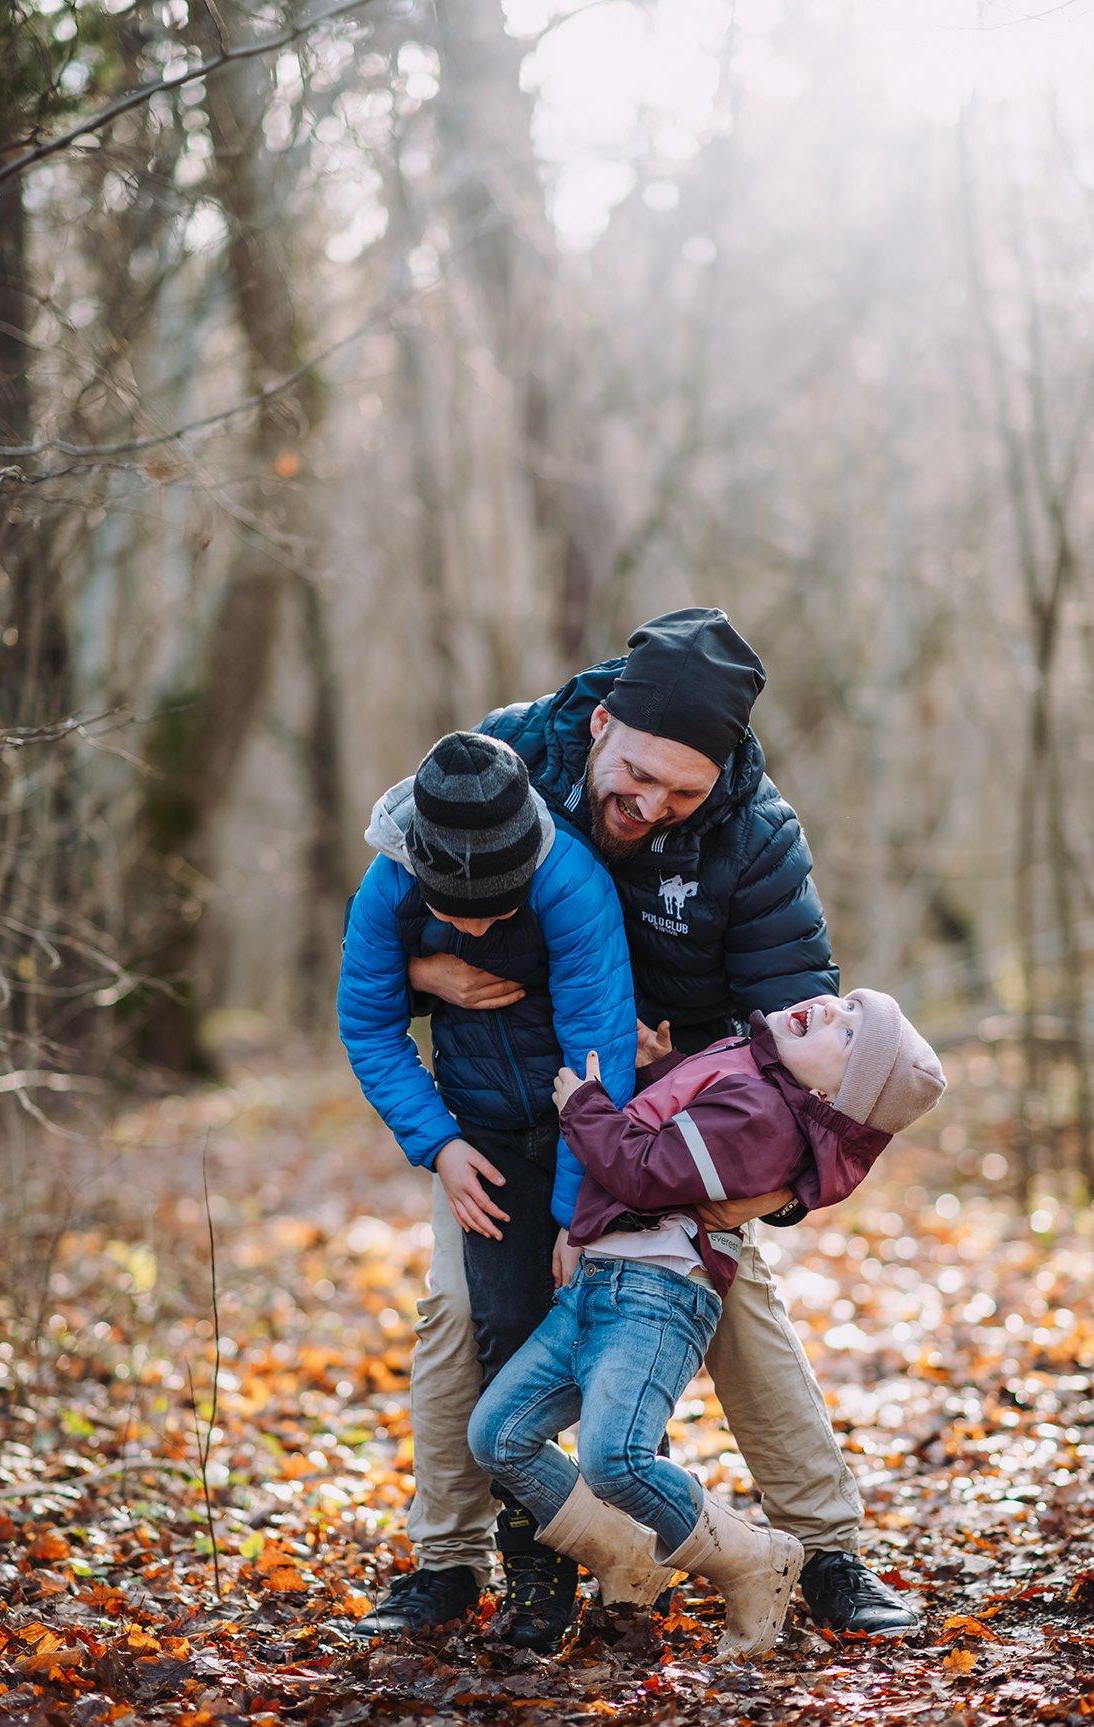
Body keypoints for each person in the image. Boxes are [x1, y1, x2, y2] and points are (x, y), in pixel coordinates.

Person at [356, 607, 923, 1642]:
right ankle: (445, 1560)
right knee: (454, 1311)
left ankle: (827, 1551)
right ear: (602, 721)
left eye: (683, 791)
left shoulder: (754, 841)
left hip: (675, 1130)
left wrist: (779, 1191)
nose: (651, 805)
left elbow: (810, 1045)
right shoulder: (509, 753)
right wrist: (420, 973)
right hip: (507, 1105)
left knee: (738, 1309)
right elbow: (390, 907)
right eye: (638, 775)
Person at [468, 990, 945, 1659]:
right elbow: (694, 1132)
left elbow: (644, 1172)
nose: (834, 1013)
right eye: (846, 1007)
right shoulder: (753, 1069)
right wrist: (669, 1069)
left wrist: (582, 1105)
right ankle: (626, 1555)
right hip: (599, 1282)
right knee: (498, 1436)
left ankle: (753, 1559)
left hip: (657, 1295)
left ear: (831, 1099)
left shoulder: (765, 1112)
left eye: (847, 1037)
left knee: (615, 1461)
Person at [337, 731, 636, 1646]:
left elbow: (599, 1058)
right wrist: (441, 1146)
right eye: (451, 913)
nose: (468, 930)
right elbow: (370, 1023)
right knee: (498, 1331)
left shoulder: (570, 885)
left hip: (581, 1129)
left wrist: (578, 1211)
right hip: (482, 1139)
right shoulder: (389, 879)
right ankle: (531, 1569)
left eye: (488, 913)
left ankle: (623, 1554)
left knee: (593, 1330)